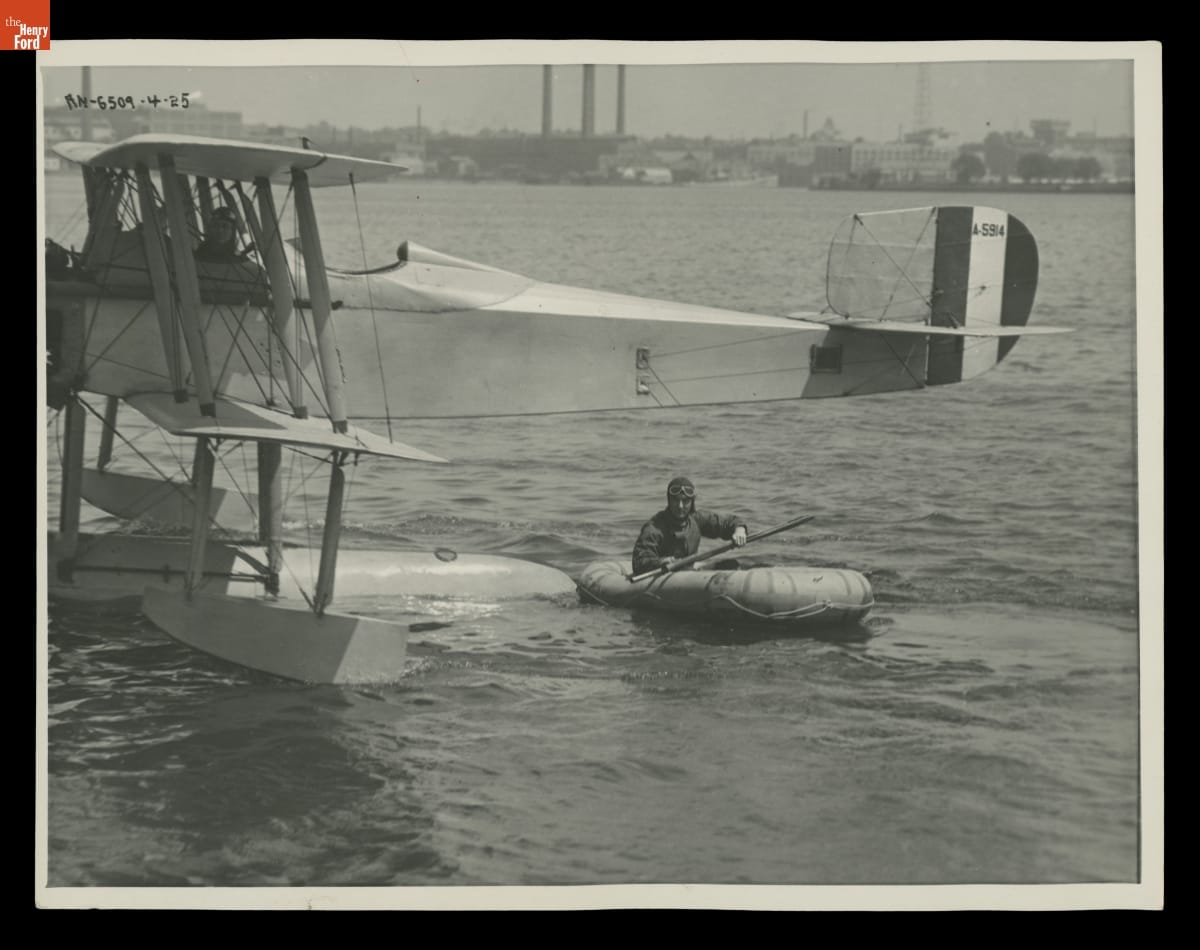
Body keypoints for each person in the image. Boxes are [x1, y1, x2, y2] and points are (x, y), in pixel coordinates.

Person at [631, 476, 748, 576]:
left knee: (731, 565)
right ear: (669, 500)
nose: (680, 506)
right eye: (676, 500)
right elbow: (639, 561)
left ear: (692, 502)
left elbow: (728, 522)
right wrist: (661, 562)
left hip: (689, 575)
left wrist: (739, 530)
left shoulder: (696, 519)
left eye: (685, 501)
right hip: (663, 577)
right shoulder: (654, 528)